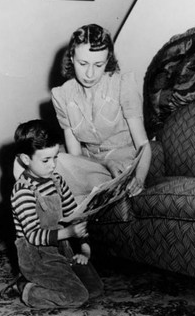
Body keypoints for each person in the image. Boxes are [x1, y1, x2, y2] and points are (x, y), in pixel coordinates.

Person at [6, 119, 103, 309]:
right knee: (77, 295)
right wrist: (68, 233)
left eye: (55, 157)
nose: (52, 165)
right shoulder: (22, 191)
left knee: (95, 289)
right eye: (45, 160)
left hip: (61, 249)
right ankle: (26, 288)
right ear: (26, 159)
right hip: (37, 256)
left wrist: (84, 248)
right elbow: (33, 235)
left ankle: (54, 278)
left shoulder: (57, 180)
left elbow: (74, 215)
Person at [51, 23, 152, 200]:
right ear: (72, 58)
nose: (90, 73)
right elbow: (75, 155)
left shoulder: (123, 85)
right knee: (30, 161)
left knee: (52, 166)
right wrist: (104, 162)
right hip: (90, 165)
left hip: (122, 167)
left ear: (107, 62)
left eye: (98, 65)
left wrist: (139, 179)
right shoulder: (62, 95)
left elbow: (143, 145)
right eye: (83, 63)